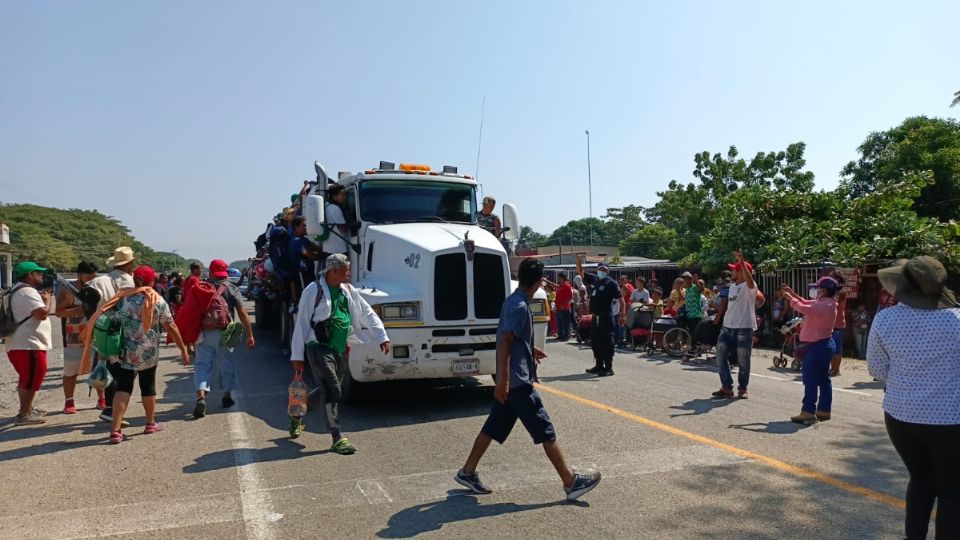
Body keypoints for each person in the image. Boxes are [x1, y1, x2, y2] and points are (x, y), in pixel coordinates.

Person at [455, 258, 601, 500]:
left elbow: (511, 338)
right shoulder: (521, 306)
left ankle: (467, 472)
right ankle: (571, 482)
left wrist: (529, 350)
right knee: (545, 430)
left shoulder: (513, 300)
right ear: (539, 280)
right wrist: (503, 381)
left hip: (511, 381)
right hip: (517, 383)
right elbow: (504, 342)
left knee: (492, 428)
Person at [867, 256, 960, 540]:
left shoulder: (886, 318)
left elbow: (876, 369)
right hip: (951, 419)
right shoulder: (957, 321)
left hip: (901, 416)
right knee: (952, 490)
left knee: (920, 479)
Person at [289, 254, 390, 454]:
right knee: (333, 388)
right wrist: (297, 356)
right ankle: (336, 436)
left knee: (328, 389)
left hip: (341, 348)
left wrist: (382, 336)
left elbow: (367, 313)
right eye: (346, 269)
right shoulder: (313, 290)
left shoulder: (349, 291)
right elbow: (301, 322)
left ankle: (296, 413)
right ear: (334, 271)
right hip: (318, 347)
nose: (349, 273)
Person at [102, 266, 189, 443]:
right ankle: (150, 424)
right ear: (152, 281)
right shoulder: (157, 299)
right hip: (149, 351)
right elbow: (170, 326)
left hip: (126, 351)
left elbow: (110, 318)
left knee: (124, 387)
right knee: (148, 385)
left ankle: (115, 431)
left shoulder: (123, 298)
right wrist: (183, 349)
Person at [192, 259, 256, 419]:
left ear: (211, 272)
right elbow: (242, 312)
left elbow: (190, 311)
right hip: (225, 332)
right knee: (226, 363)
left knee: (202, 364)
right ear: (225, 273)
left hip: (203, 332)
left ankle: (201, 396)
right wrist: (250, 334)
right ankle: (227, 397)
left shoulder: (200, 287)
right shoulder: (231, 288)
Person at [86, 246, 136, 422]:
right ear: (129, 264)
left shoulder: (99, 281)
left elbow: (88, 305)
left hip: (102, 329)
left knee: (107, 365)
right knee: (122, 371)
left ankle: (108, 407)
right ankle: (112, 411)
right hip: (123, 331)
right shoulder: (130, 282)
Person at [782, 277, 840, 424]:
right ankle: (823, 410)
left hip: (817, 346)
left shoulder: (825, 305)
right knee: (823, 378)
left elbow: (804, 308)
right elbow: (806, 302)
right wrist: (792, 293)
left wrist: (790, 299)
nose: (816, 290)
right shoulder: (826, 302)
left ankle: (808, 411)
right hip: (823, 344)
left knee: (811, 380)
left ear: (825, 290)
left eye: (818, 288)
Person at [5, 262, 55, 425]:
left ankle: (27, 408)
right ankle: (24, 414)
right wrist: (47, 300)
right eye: (38, 273)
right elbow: (42, 314)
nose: (41, 275)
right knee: (31, 378)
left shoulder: (16, 290)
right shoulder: (27, 292)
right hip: (28, 344)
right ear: (30, 275)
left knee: (29, 377)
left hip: (20, 342)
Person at [712, 251, 758, 399]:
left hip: (744, 328)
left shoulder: (750, 287)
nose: (731, 271)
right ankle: (727, 387)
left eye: (734, 269)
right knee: (720, 356)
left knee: (743, 361)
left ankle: (743, 388)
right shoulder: (732, 286)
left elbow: (749, 281)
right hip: (727, 327)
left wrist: (742, 261)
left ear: (741, 272)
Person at [55, 261, 98, 414]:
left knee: (98, 368)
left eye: (93, 277)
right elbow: (59, 312)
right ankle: (69, 401)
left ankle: (102, 399)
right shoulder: (68, 290)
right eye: (88, 276)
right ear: (79, 274)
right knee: (70, 371)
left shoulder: (95, 288)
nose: (91, 279)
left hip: (94, 335)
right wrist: (80, 308)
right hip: (73, 336)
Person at [578, 261, 620, 377]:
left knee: (606, 341)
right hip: (595, 316)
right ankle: (599, 365)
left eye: (605, 270)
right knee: (595, 341)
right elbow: (581, 272)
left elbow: (620, 299)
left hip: (605, 316)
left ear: (608, 271)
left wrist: (623, 314)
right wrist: (578, 259)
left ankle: (608, 367)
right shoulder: (595, 279)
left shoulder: (611, 283)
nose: (602, 272)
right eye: (601, 269)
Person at [320, 184, 350, 260]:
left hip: (329, 250)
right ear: (334, 197)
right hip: (338, 251)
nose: (345, 197)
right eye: (342, 194)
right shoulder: (335, 209)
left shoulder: (327, 206)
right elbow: (343, 229)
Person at [829, 273, 848, 377]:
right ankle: (834, 369)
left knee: (835, 348)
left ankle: (835, 370)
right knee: (835, 348)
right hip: (837, 323)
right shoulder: (839, 292)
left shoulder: (839, 293)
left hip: (836, 323)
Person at [554, 272, 573, 341]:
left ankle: (566, 336)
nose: (558, 278)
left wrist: (563, 305)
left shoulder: (566, 285)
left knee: (565, 323)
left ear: (562, 278)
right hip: (559, 307)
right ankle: (560, 335)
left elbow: (570, 297)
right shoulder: (561, 285)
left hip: (564, 308)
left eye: (559, 277)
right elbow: (555, 286)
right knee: (559, 323)